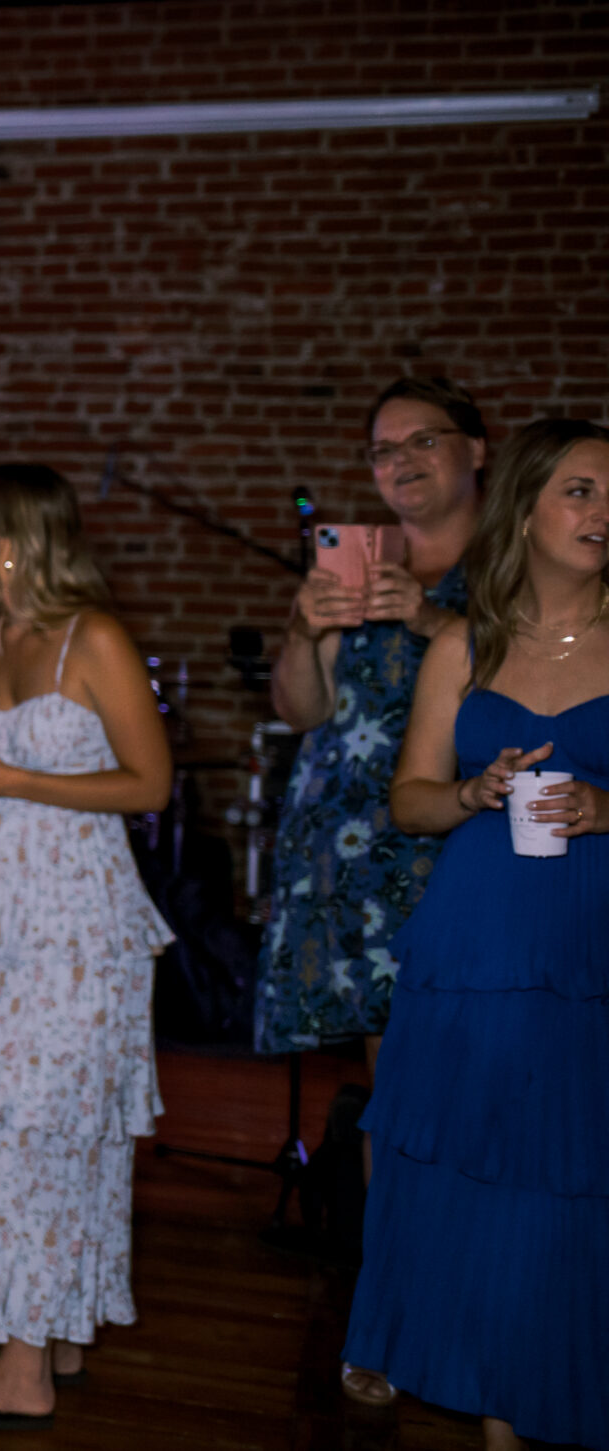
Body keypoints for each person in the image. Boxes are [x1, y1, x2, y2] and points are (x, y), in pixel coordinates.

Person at [348, 418, 609, 1451]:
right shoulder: (464, 642)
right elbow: (408, 799)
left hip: (586, 945)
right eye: (582, 490)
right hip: (474, 941)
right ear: (527, 507)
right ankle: (500, 1421)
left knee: (569, 1174)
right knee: (478, 1172)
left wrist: (606, 808)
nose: (603, 512)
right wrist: (471, 790)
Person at [0, 463, 174, 1429]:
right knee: (11, 1123)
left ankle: (22, 1373)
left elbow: (150, 784)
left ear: (16, 542)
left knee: (40, 1130)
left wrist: (7, 777)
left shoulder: (92, 637)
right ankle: (52, 1328)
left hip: (78, 924)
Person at [258, 377, 485, 1406]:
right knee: (392, 1105)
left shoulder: (510, 570)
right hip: (346, 867)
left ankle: (467, 1315)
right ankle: (392, 1318)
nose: (399, 464)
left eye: (421, 441)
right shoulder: (352, 562)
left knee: (460, 1097)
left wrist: (432, 616)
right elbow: (303, 711)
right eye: (382, 450)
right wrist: (305, 630)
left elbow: (532, 695)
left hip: (450, 853)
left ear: (476, 450)